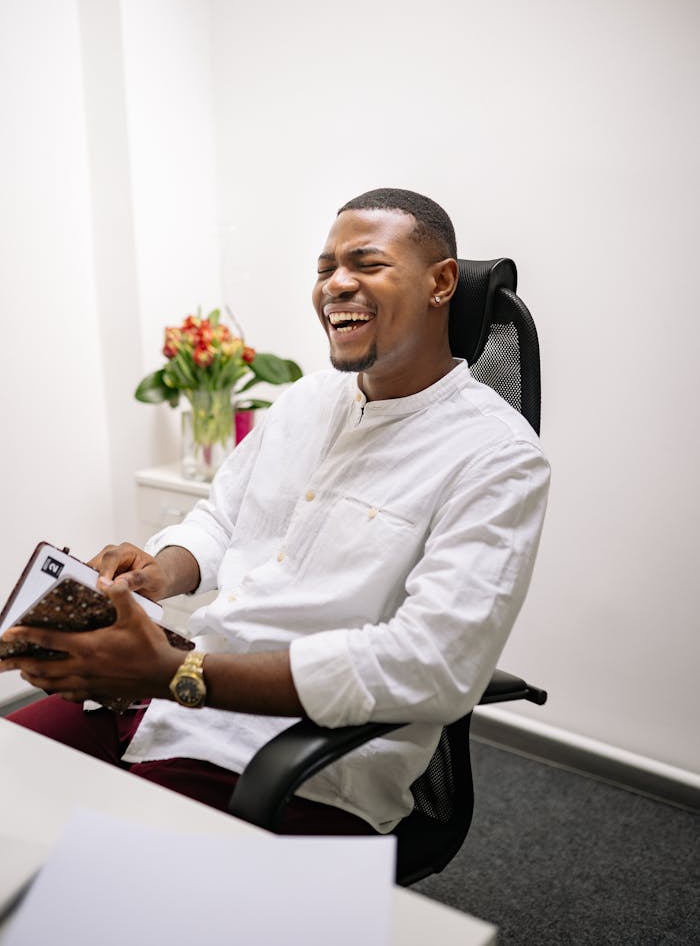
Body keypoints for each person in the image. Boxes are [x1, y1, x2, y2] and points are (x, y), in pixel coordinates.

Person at [2, 188, 550, 835]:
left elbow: (427, 665)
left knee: (83, 887)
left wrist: (176, 672)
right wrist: (160, 571)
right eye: (325, 270)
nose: (336, 285)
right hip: (166, 700)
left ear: (442, 283)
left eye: (367, 264)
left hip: (302, 768)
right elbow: (221, 520)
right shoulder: (303, 402)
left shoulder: (497, 456)